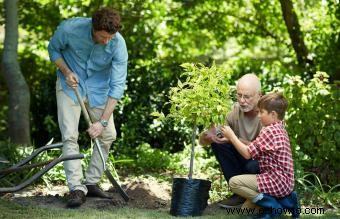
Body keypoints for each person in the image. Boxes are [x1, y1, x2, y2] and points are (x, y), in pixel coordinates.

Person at [48, 7, 128, 208]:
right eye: (103, 37)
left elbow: (117, 86)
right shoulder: (70, 29)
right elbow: (53, 49)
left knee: (108, 134)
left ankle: (91, 182)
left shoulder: (118, 44)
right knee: (69, 135)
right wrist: (66, 71)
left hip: (99, 91)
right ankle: (76, 188)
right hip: (70, 87)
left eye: (110, 37)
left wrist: (101, 122)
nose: (107, 41)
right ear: (93, 28)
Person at [221, 92, 299, 218]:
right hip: (286, 182)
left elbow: (247, 154)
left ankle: (272, 204)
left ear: (273, 114)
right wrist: (232, 140)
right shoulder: (279, 128)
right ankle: (288, 201)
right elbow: (255, 146)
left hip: (275, 181)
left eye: (261, 112)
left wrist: (232, 136)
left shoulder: (268, 131)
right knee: (246, 211)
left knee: (234, 182)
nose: (258, 116)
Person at [199, 73, 262, 208]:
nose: (242, 100)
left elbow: (264, 150)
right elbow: (202, 142)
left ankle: (255, 196)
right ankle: (239, 195)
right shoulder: (233, 111)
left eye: (247, 96)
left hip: (261, 164)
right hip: (242, 159)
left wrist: (235, 139)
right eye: (239, 95)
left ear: (259, 96)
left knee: (253, 165)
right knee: (219, 142)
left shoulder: (268, 114)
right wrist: (207, 136)